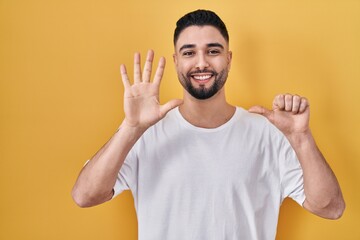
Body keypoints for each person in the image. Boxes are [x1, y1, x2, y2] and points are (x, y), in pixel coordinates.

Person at [72, 9, 345, 240]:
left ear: (228, 58)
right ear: (177, 61)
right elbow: (85, 196)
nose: (201, 63)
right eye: (189, 53)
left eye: (213, 51)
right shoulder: (144, 134)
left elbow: (331, 208)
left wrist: (301, 138)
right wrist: (131, 128)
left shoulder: (268, 134)